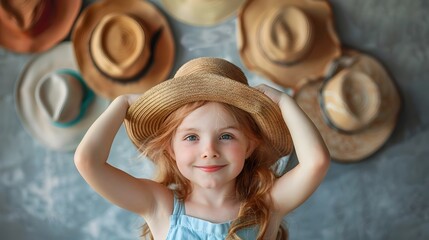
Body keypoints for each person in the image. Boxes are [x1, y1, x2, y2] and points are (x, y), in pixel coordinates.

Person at [74, 57, 330, 240]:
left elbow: (316, 162)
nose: (209, 150)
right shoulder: (159, 205)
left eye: (227, 136)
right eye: (191, 137)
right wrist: (123, 103)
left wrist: (284, 101)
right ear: (171, 149)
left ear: (250, 146)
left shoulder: (266, 206)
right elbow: (88, 161)